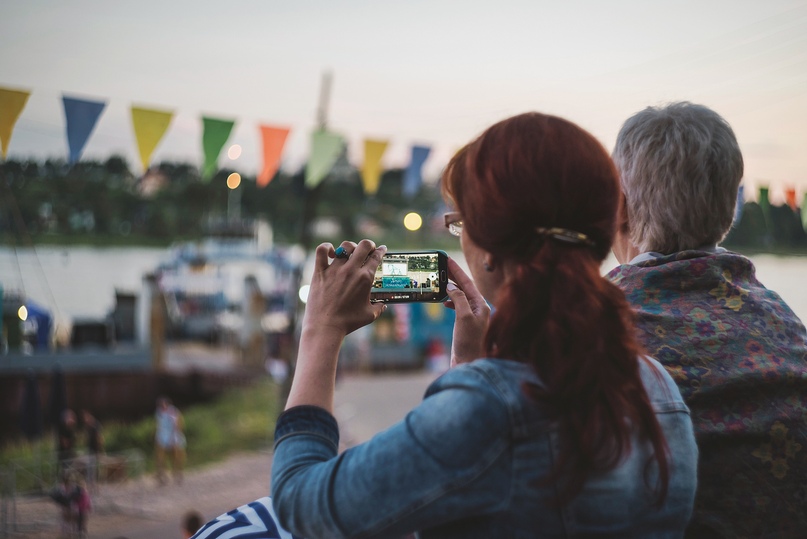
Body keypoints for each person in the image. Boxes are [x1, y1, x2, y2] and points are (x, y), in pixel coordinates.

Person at [270, 112, 698, 538]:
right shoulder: (659, 389)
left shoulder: (491, 408)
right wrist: (470, 363)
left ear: (490, 247)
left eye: (460, 223)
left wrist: (320, 331)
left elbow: (300, 505)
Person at [607, 101, 807, 538]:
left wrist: (472, 362)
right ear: (730, 208)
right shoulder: (787, 324)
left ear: (617, 206)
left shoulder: (587, 325)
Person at [155, 396, 186, 485]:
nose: (162, 406)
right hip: (162, 436)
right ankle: (161, 475)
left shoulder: (172, 412)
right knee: (160, 457)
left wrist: (174, 437)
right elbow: (159, 425)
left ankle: (177, 473)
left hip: (173, 435)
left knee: (177, 456)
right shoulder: (159, 413)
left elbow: (177, 424)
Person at [81, 409, 103, 491]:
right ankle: (91, 485)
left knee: (93, 468)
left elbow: (99, 438)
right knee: (90, 468)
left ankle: (94, 485)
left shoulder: (95, 425)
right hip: (89, 449)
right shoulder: (88, 426)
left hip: (94, 449)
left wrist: (100, 449)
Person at [56, 409, 77, 475]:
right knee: (65, 470)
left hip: (70, 452)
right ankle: (64, 483)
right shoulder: (62, 428)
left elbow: (74, 440)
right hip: (64, 453)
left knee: (71, 469)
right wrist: (68, 442)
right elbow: (64, 443)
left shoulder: (71, 429)